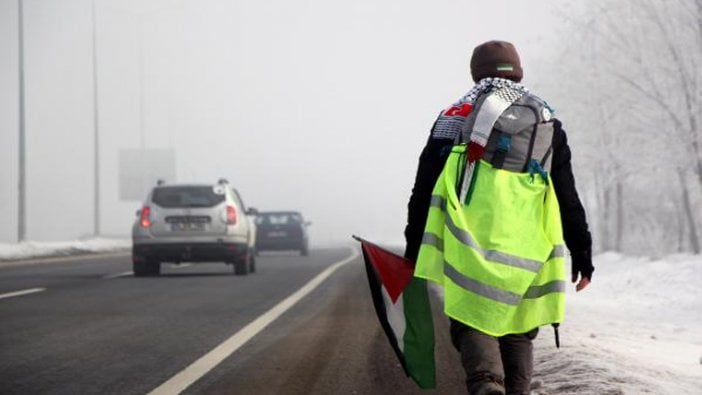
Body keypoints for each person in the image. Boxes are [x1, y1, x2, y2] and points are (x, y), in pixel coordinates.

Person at [404, 40, 593, 395]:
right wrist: (582, 252)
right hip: (526, 240)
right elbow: (567, 194)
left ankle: (486, 381)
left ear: (476, 72)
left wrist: (414, 246)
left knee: (471, 313)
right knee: (518, 324)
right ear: (517, 71)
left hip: (467, 239)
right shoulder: (546, 119)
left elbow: (423, 190)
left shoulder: (453, 119)